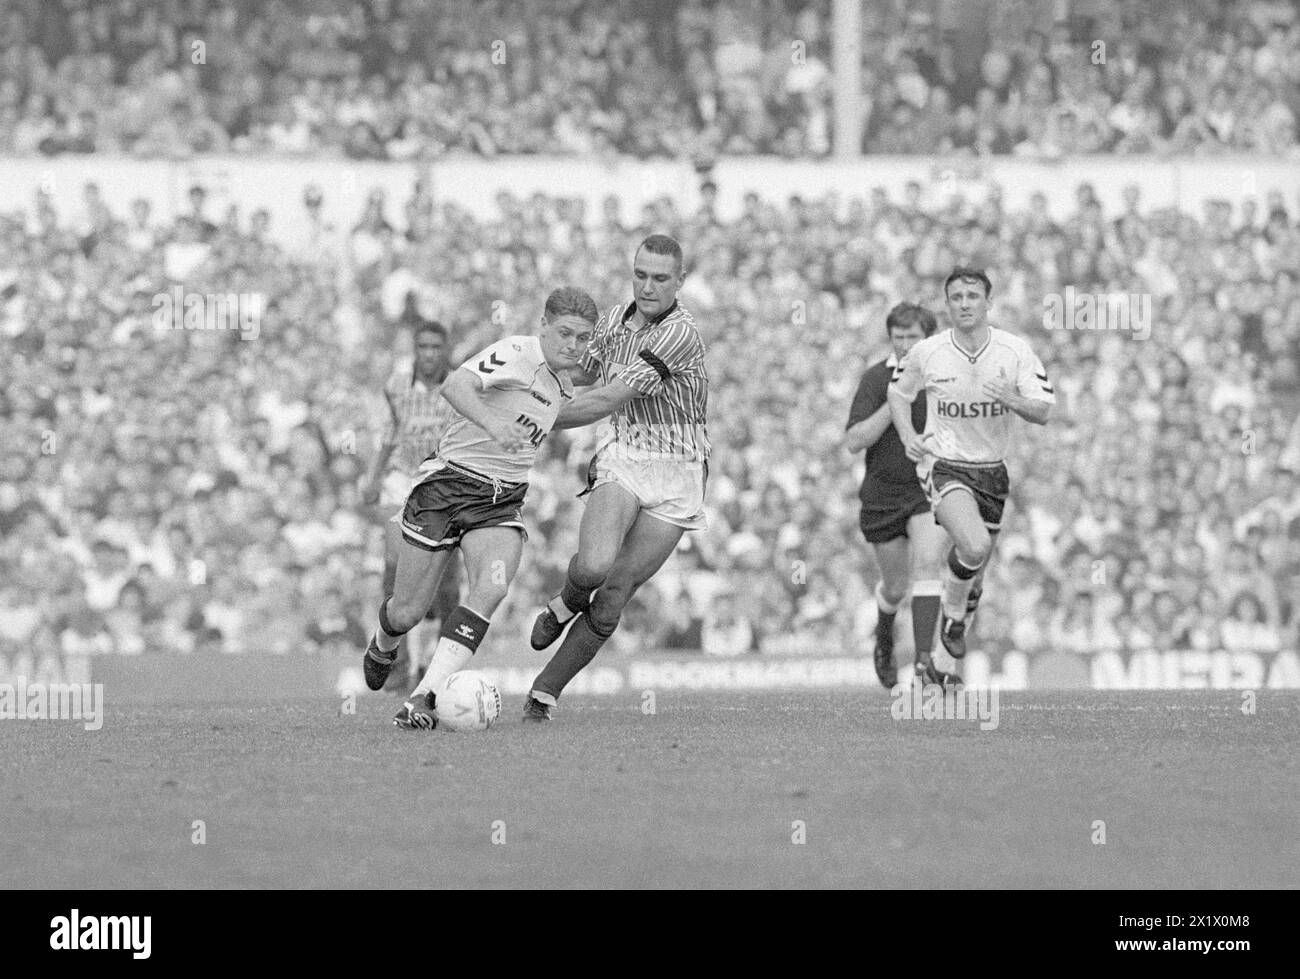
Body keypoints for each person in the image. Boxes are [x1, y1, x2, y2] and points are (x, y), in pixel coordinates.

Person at [360, 287, 599, 729]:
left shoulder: (563, 380)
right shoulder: (514, 353)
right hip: (448, 484)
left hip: (501, 499)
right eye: (565, 333)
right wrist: (493, 424)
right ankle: (384, 640)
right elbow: (456, 385)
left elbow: (567, 410)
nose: (573, 345)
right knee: (407, 611)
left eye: (583, 338)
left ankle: (422, 698)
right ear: (543, 326)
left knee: (491, 587)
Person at [523, 234, 709, 721]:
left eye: (660, 278)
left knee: (613, 596)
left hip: (678, 471)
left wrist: (534, 418)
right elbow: (584, 373)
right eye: (640, 274)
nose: (648, 286)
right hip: (625, 453)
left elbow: (609, 397)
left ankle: (543, 694)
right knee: (594, 565)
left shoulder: (680, 334)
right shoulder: (612, 321)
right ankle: (564, 603)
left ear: (680, 282)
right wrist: (528, 376)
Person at [887, 267, 1055, 681]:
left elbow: (1044, 410)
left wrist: (1011, 399)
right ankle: (954, 618)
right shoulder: (928, 352)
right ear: (948, 305)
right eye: (957, 297)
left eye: (972, 296)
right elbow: (898, 392)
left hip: (993, 472)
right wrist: (909, 434)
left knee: (974, 577)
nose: (964, 304)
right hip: (946, 466)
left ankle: (943, 665)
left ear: (987, 302)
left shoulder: (1014, 350)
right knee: (975, 547)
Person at [844, 302, 950, 687]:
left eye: (913, 337)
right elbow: (855, 440)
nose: (905, 345)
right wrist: (895, 402)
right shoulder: (876, 380)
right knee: (895, 586)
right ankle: (884, 636)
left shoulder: (946, 379)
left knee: (927, 565)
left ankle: (925, 663)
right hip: (883, 494)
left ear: (930, 339)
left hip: (927, 489)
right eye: (899, 337)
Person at [360, 319, 460, 687]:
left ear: (445, 349)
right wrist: (373, 477)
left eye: (436, 347)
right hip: (401, 480)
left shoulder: (460, 385)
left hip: (442, 482)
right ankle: (395, 662)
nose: (430, 354)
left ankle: (440, 663)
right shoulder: (397, 385)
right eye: (423, 347)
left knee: (446, 581)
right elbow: (390, 433)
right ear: (415, 349)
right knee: (396, 565)